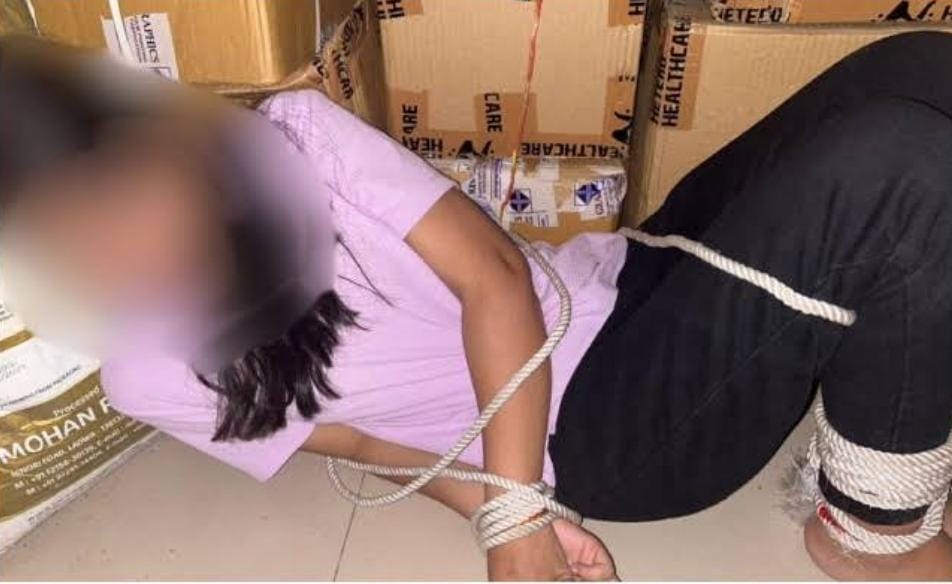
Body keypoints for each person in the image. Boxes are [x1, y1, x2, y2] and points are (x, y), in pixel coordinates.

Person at [1, 32, 951, 581]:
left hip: (619, 277)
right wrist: (513, 511)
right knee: (903, 167)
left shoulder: (294, 138)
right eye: (70, 237)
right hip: (602, 432)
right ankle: (870, 538)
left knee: (917, 66)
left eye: (116, 192)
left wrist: (513, 514)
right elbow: (364, 442)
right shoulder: (146, 377)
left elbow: (493, 273)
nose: (119, 248)